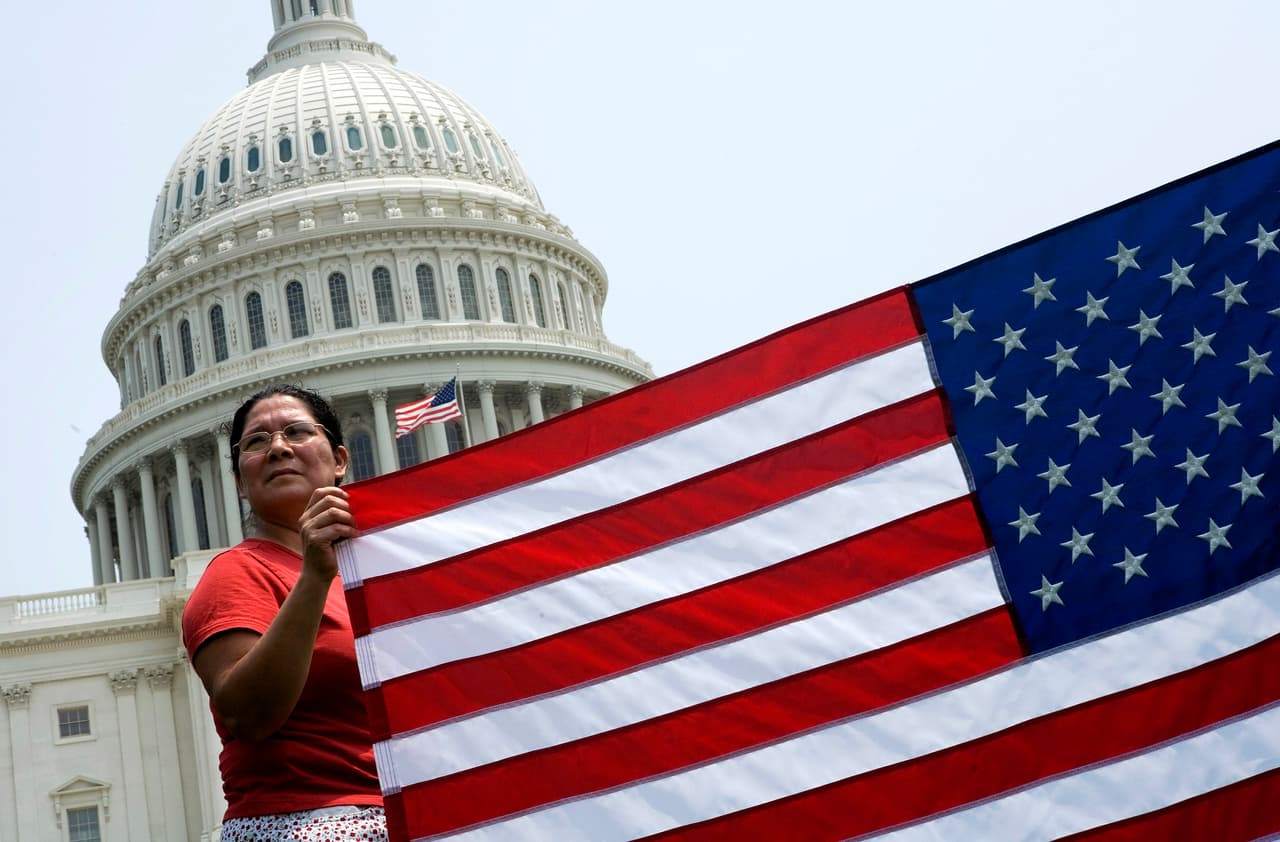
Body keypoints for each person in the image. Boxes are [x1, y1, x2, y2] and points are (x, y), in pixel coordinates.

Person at [181, 384, 387, 841]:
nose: (278, 448)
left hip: (414, 813)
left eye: (296, 432)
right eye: (256, 441)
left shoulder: (381, 573)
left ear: (339, 459)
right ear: (239, 480)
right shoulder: (237, 573)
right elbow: (248, 715)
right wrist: (314, 576)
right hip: (307, 821)